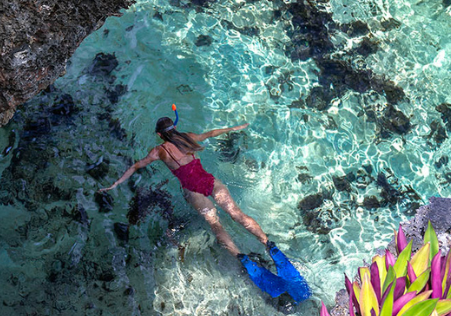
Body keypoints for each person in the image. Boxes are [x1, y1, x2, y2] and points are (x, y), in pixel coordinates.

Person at [98, 114, 311, 301]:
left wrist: (115, 184)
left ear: (160, 135)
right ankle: (268, 244)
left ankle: (241, 257)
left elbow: (136, 166)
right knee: (237, 214)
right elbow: (211, 133)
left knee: (216, 225)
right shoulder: (189, 137)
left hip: (194, 192)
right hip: (211, 182)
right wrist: (234, 128)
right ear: (174, 128)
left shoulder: (159, 151)